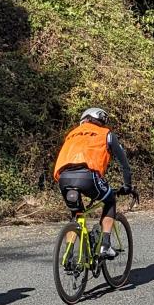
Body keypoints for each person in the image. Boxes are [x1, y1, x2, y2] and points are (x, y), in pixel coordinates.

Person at [53, 107, 136, 258]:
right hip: (87, 176)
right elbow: (124, 163)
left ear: (84, 119)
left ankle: (68, 255)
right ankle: (105, 245)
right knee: (110, 200)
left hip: (64, 178)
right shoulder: (106, 134)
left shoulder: (71, 135)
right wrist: (127, 186)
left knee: (76, 213)